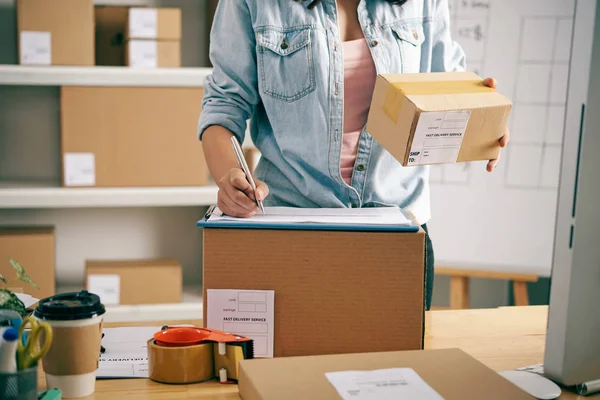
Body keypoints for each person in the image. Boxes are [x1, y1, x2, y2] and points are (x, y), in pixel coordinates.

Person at [197, 0, 510, 310]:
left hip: (397, 232)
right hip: (291, 227)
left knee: (397, 359)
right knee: (288, 360)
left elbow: (446, 87)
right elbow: (224, 105)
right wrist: (229, 176)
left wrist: (483, 122)